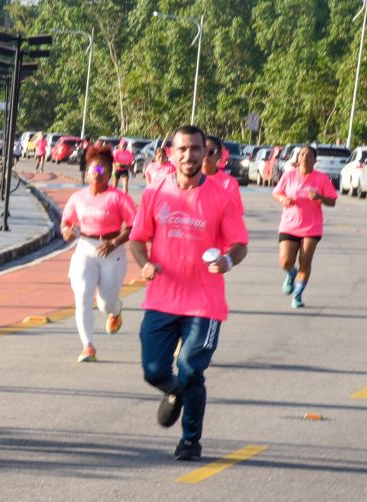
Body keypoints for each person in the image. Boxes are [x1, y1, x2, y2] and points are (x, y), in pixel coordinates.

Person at [129, 125, 249, 461]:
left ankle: (190, 441)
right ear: (171, 153)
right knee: (154, 370)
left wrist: (227, 259)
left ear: (204, 153)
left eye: (195, 149)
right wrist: (145, 263)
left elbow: (240, 244)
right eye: (182, 149)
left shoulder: (221, 196)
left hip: (204, 303)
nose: (189, 155)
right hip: (162, 298)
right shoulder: (155, 193)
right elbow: (137, 239)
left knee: (190, 368)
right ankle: (175, 392)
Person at [61, 144, 136, 363]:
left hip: (112, 251)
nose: (98, 174)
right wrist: (66, 231)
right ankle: (88, 346)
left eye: (103, 170)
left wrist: (114, 242)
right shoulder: (78, 197)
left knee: (105, 303)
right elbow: (66, 221)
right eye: (94, 169)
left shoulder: (119, 198)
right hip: (85, 248)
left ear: (110, 171)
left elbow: (134, 226)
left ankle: (115, 310)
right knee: (82, 296)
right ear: (87, 169)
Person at [272, 144, 337, 308]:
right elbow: (276, 193)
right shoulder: (289, 176)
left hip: (312, 227)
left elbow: (332, 201)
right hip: (289, 224)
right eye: (302, 154)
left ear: (315, 160)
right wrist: (283, 199)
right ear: (297, 158)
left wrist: (320, 197)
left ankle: (298, 295)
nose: (305, 158)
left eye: (309, 155)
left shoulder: (322, 178)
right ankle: (291, 273)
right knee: (285, 261)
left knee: (305, 261)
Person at [203, 135, 244, 215]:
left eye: (211, 152)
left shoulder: (229, 183)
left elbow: (236, 213)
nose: (206, 155)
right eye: (203, 151)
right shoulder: (190, 179)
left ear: (219, 156)